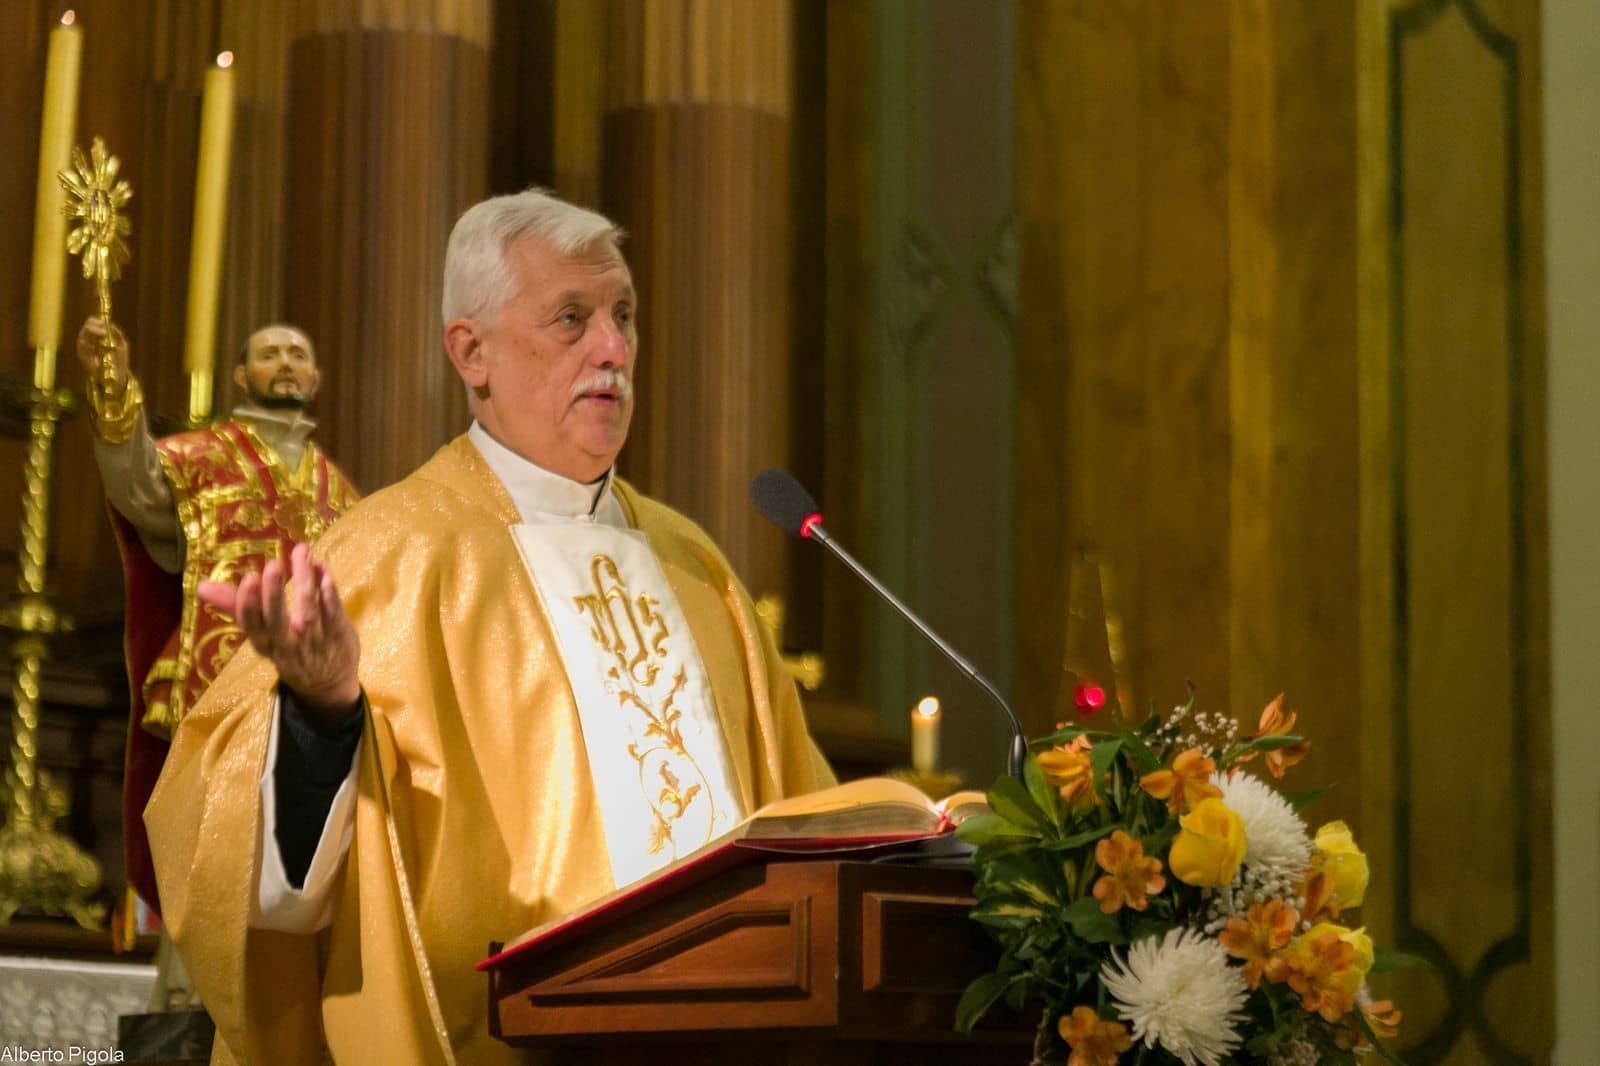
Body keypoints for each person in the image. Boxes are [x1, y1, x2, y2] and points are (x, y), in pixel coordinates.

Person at [145, 189, 836, 1064]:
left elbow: (809, 827)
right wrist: (321, 714)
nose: (614, 350)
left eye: (623, 315)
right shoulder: (387, 554)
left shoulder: (696, 569)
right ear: (471, 353)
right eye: (571, 319)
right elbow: (233, 871)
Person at [79, 318, 357, 917]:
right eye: (269, 354)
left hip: (307, 702)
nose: (285, 363)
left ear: (316, 376)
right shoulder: (198, 458)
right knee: (212, 851)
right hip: (219, 686)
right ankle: (191, 987)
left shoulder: (342, 493)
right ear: (240, 375)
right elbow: (136, 486)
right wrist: (114, 387)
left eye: (297, 353)